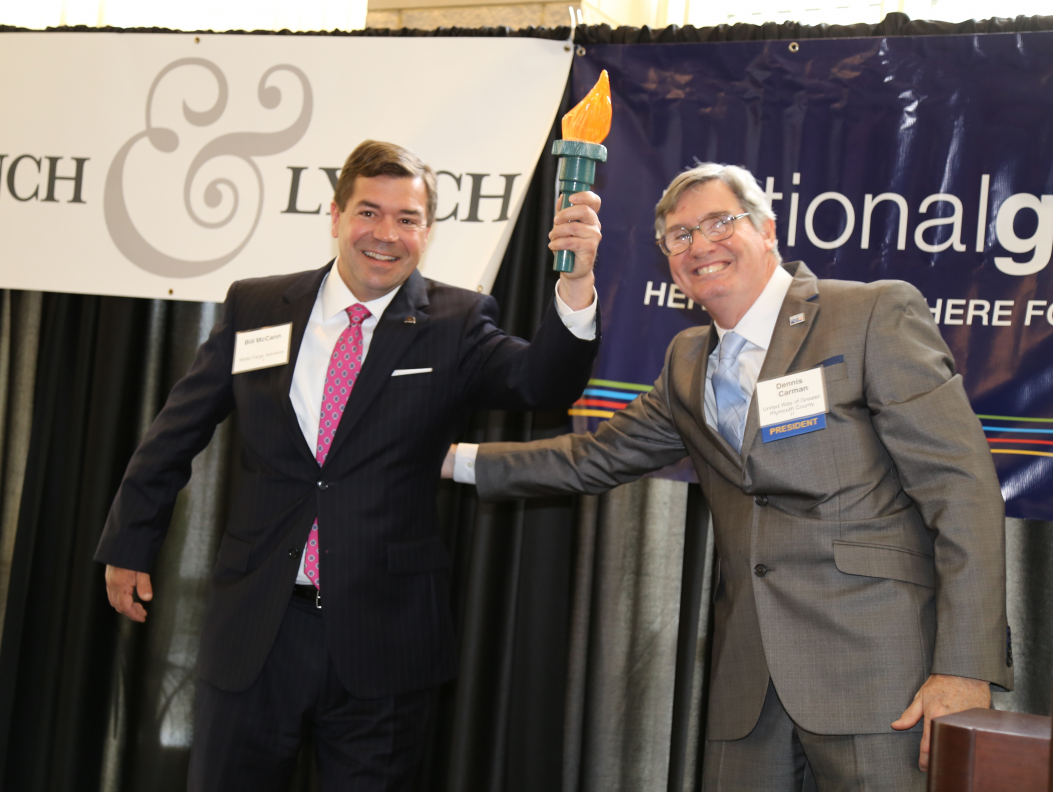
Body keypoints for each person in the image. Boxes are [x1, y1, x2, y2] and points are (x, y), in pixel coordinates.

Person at [445, 163, 1011, 791]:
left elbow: (961, 491)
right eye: (679, 236)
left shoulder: (871, 313)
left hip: (883, 678)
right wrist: (443, 458)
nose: (700, 245)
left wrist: (964, 667)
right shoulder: (686, 360)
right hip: (749, 689)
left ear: (768, 229)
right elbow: (592, 457)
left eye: (719, 222)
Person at [94, 139, 602, 791]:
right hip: (259, 627)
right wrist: (130, 542)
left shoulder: (456, 321)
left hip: (385, 640)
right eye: (369, 212)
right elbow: (175, 431)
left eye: (407, 218)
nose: (386, 234)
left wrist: (576, 279)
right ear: (335, 215)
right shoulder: (256, 306)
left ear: (428, 230)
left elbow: (543, 385)